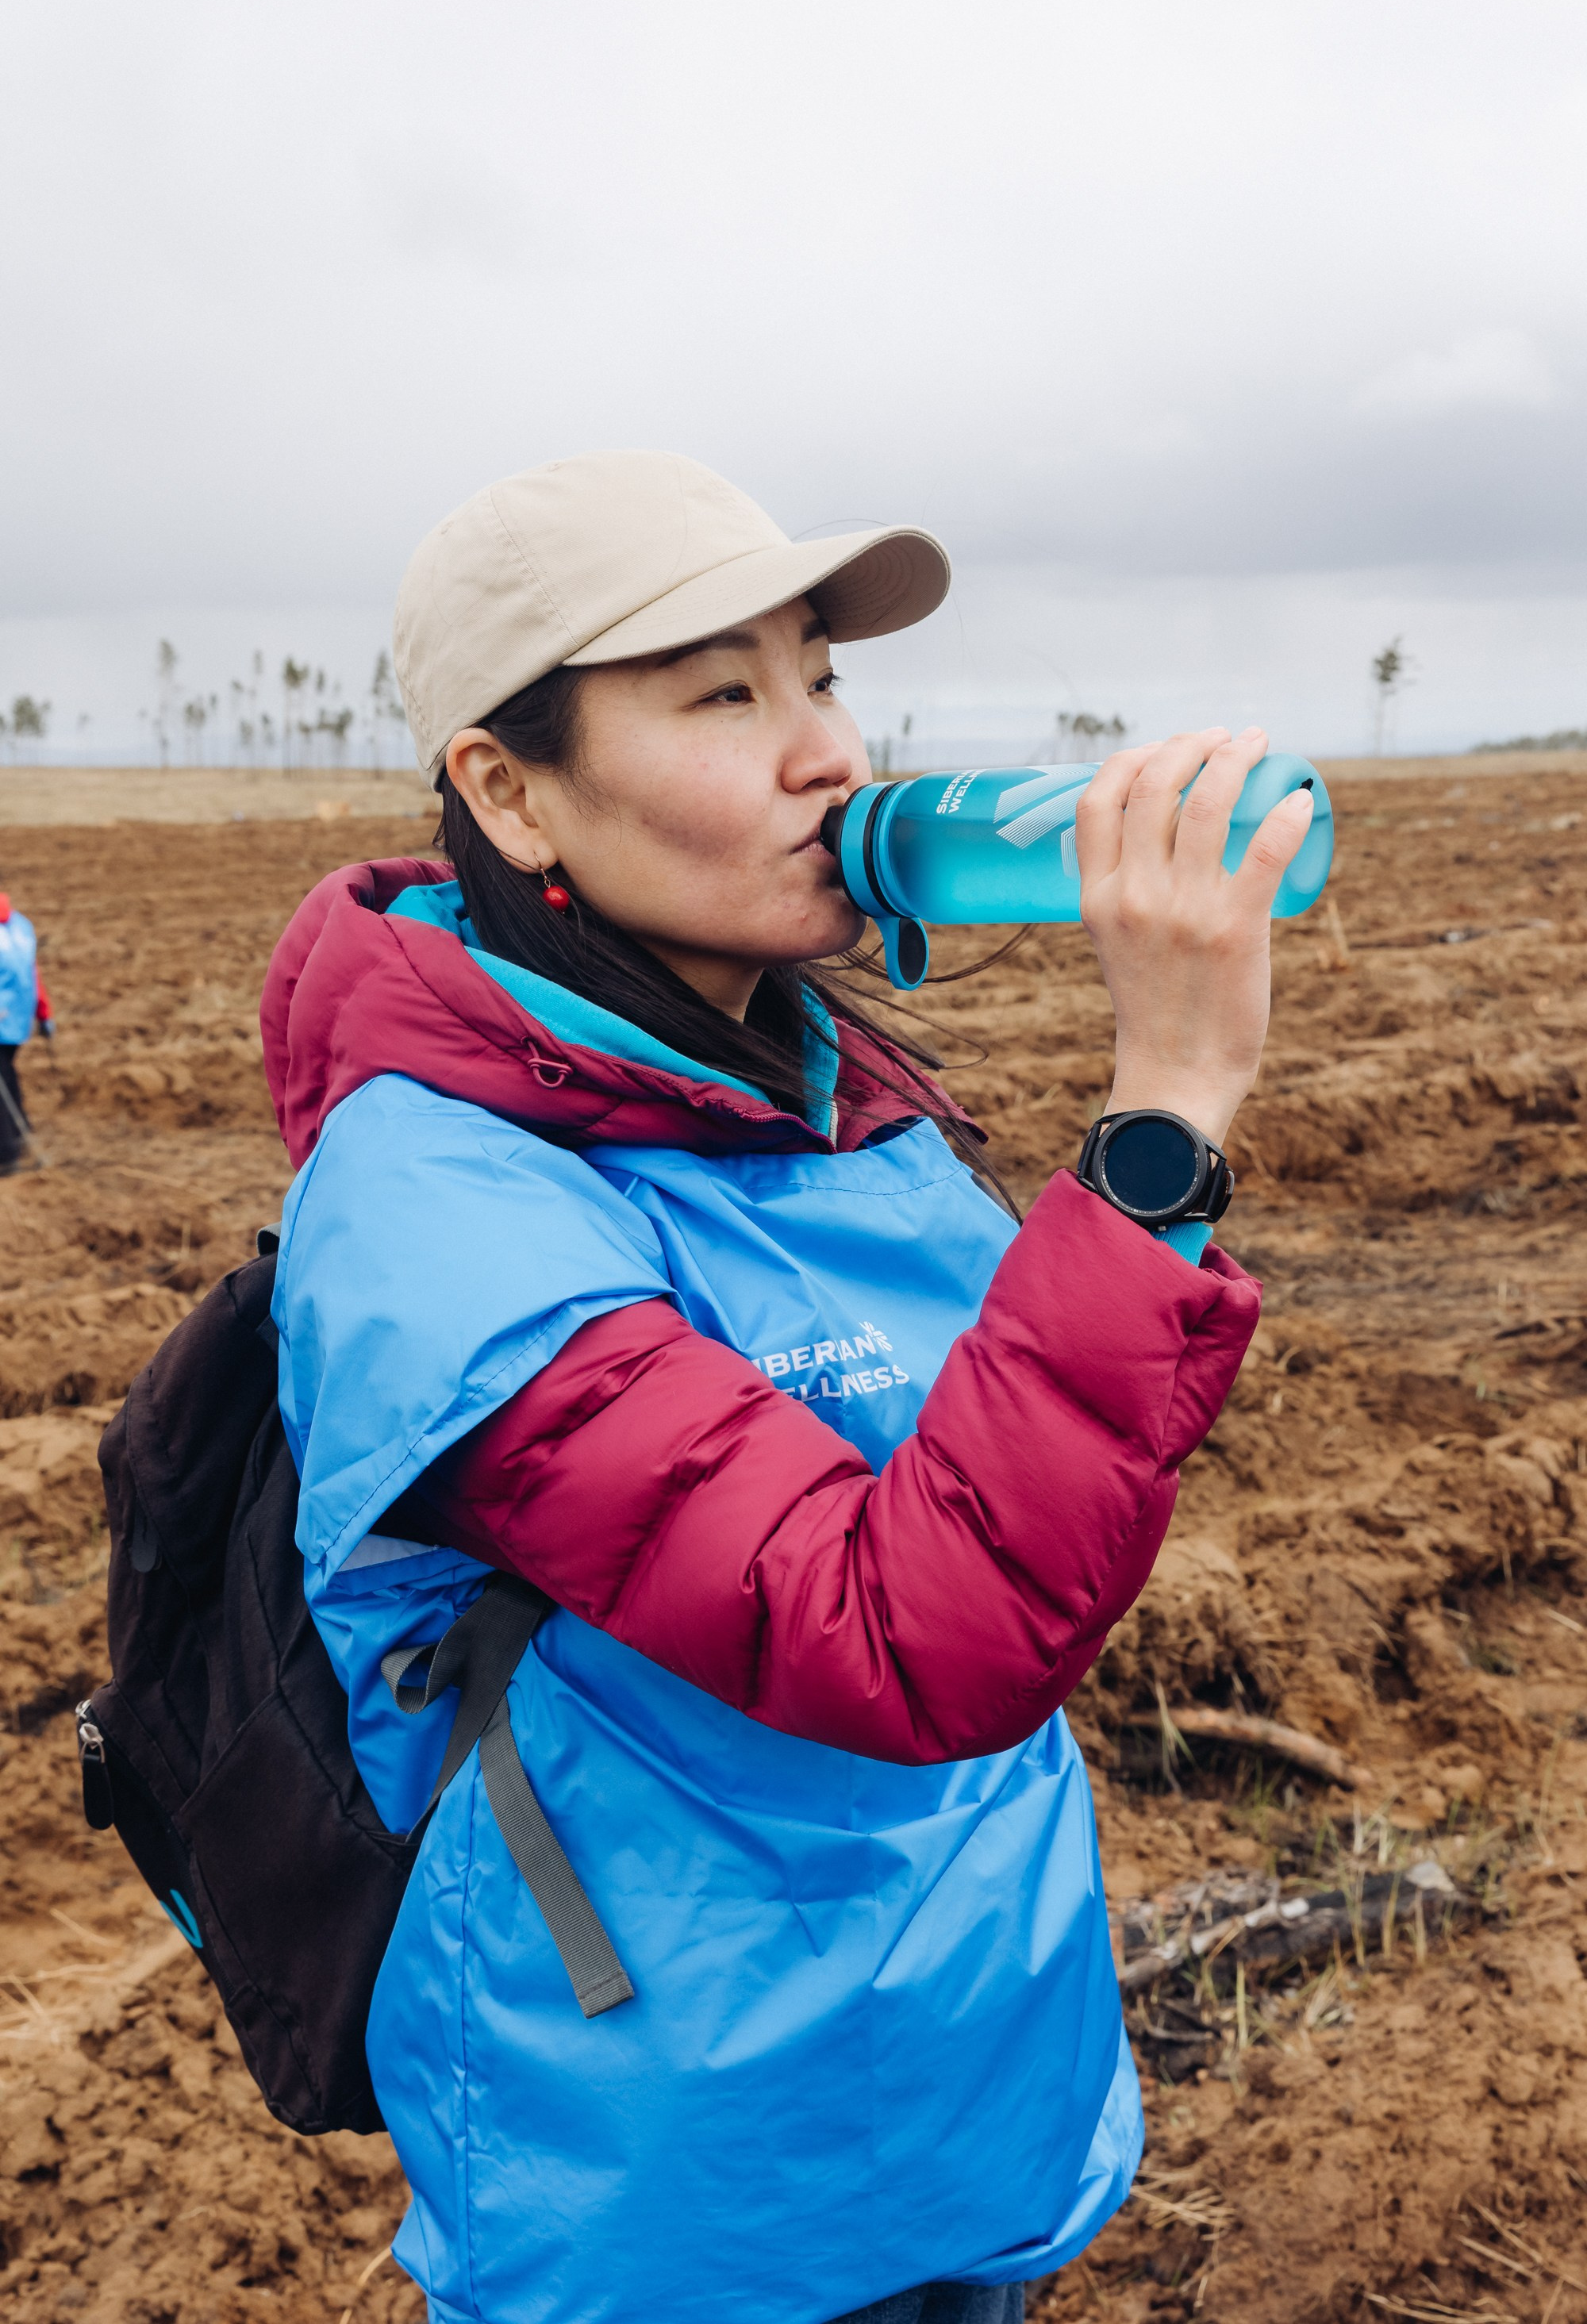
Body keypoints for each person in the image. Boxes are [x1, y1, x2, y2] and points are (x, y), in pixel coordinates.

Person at [261, 452, 1312, 2324]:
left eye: (815, 671)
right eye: (722, 693)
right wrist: (1156, 1119)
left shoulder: (826, 1091)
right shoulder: (437, 1210)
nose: (826, 748)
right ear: (510, 793)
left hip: (966, 2086)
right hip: (691, 2192)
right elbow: (902, 1630)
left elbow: (1009, 1483)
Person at [0, 888, 52, 1175]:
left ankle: (6, 1156)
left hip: (3, 1019)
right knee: (6, 1075)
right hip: (18, 1019)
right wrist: (45, 1013)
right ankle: (22, 1138)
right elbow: (33, 973)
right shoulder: (20, 924)